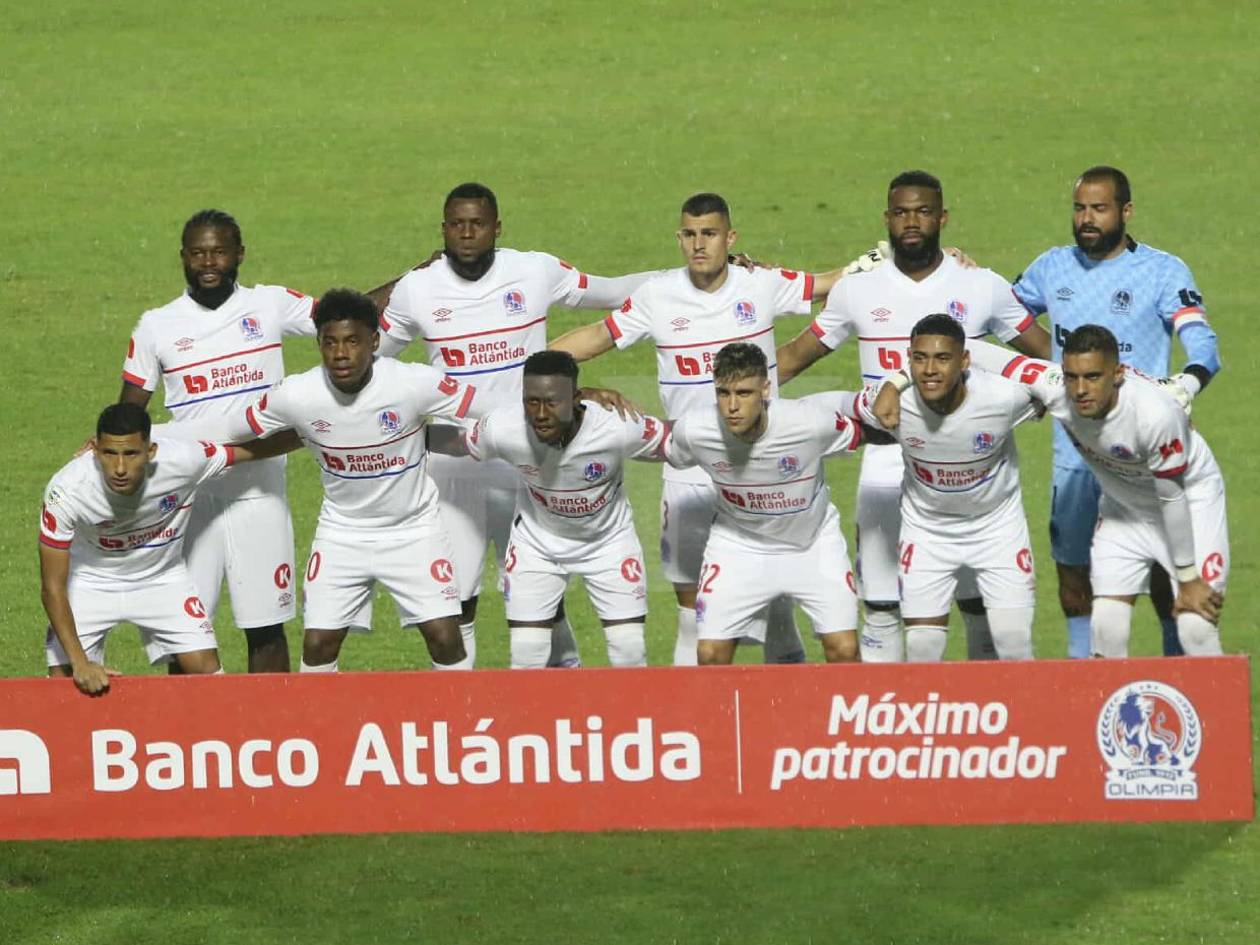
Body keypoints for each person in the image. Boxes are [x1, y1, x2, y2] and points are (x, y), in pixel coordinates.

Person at [551, 191, 859, 666]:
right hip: (692, 467)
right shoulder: (658, 296)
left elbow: (831, 283)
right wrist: (550, 378)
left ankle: (781, 725)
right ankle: (696, 728)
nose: (700, 245)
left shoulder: (761, 284)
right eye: (690, 235)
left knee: (780, 600)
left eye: (710, 234)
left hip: (762, 463)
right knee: (693, 609)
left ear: (730, 237)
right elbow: (596, 338)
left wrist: (911, 262)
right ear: (679, 239)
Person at [378, 182, 661, 668]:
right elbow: (370, 358)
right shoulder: (417, 288)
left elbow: (612, 291)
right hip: (455, 462)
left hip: (528, 457)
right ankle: (460, 706)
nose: (467, 233)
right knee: (455, 597)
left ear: (497, 228)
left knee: (540, 593)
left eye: (478, 223)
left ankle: (561, 690)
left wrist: (696, 274)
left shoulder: (533, 270)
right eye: (456, 224)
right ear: (443, 228)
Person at [775, 171, 1051, 664]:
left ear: (942, 218)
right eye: (901, 212)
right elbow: (795, 356)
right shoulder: (857, 290)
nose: (912, 222)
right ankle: (896, 730)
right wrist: (735, 400)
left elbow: (1045, 356)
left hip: (964, 465)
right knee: (881, 607)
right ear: (887, 219)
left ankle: (985, 724)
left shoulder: (980, 285)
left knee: (977, 607)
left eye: (923, 212)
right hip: (884, 462)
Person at [119, 210, 410, 673]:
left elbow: (344, 316)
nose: (208, 262)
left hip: (260, 491)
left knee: (267, 626)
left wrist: (415, 278)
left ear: (239, 255)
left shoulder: (269, 304)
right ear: (183, 258)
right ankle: (188, 737)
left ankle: (270, 733)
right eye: (197, 253)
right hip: (189, 498)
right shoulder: (156, 326)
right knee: (186, 634)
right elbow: (129, 414)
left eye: (218, 251)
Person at [212, 289, 485, 672]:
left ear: (374, 342)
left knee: (445, 636)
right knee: (318, 646)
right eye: (330, 343)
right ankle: (320, 731)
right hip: (343, 533)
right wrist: (154, 437)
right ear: (319, 344)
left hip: (414, 530)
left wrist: (571, 401)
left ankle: (459, 726)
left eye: (353, 342)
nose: (341, 354)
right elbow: (230, 429)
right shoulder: (297, 394)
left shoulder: (414, 383)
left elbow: (492, 408)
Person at [1011, 166, 1221, 657]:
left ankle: (1178, 673)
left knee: (1166, 571)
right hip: (1075, 452)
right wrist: (1041, 379)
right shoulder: (1051, 267)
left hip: (1143, 449)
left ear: (1125, 212)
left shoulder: (1163, 271)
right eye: (1080, 208)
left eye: (1099, 209)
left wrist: (1187, 383)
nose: (1087, 219)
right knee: (1074, 575)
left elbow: (1202, 342)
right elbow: (1001, 313)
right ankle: (1086, 681)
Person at [962, 327, 1227, 656]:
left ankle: (1215, 706)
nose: (1080, 390)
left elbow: (1172, 497)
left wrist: (1188, 579)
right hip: (1124, 509)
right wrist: (898, 380)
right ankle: (1108, 707)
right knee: (1106, 629)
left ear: (1117, 374)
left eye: (1092, 377)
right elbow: (979, 352)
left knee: (1196, 626)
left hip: (1190, 505)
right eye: (1072, 377)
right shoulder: (1056, 388)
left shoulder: (1155, 415)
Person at [432, 351, 665, 668]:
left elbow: (676, 440)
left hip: (608, 543)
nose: (540, 413)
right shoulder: (504, 428)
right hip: (538, 545)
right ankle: (543, 717)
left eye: (552, 402)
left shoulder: (617, 426)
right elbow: (460, 442)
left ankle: (629, 717)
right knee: (528, 652)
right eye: (532, 401)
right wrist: (396, 436)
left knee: (629, 649)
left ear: (577, 399)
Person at [38, 403, 287, 694]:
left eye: (131, 454)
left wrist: (316, 432)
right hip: (91, 581)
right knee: (61, 684)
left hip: (162, 579)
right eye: (109, 453)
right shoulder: (67, 490)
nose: (120, 467)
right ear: (94, 449)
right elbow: (52, 587)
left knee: (207, 671)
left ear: (151, 451)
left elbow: (247, 451)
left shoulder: (183, 460)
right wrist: (80, 663)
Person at [661, 343, 880, 665]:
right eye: (723, 393)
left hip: (813, 546)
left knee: (844, 650)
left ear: (765, 389)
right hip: (738, 547)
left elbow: (865, 434)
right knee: (709, 655)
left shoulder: (808, 423)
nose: (732, 406)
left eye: (744, 393)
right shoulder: (695, 430)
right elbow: (664, 450)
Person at [855, 315, 1039, 660]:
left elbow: (1058, 393)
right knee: (923, 647)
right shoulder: (892, 404)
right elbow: (839, 410)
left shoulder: (1004, 398)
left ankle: (1014, 714)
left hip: (997, 530)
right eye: (920, 359)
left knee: (1014, 643)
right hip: (928, 533)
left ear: (965, 360)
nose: (929, 369)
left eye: (942, 358)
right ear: (908, 361)